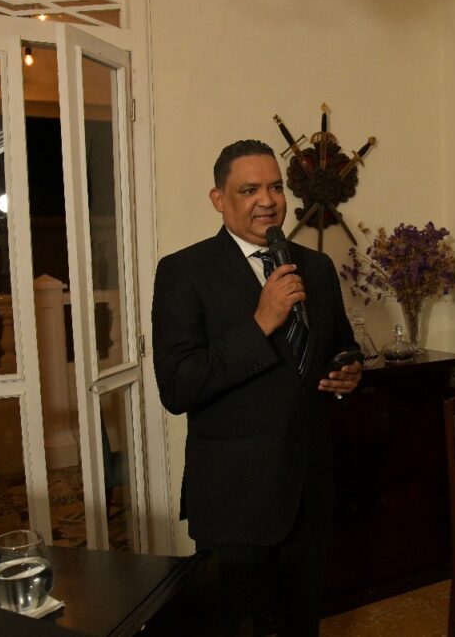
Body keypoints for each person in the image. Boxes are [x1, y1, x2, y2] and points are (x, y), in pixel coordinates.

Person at [151, 139, 363, 636]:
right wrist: (261, 321)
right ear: (218, 199)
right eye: (249, 190)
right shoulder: (184, 271)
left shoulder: (316, 267)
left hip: (309, 492)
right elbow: (178, 387)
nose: (267, 200)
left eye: (275, 187)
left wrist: (349, 369)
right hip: (235, 501)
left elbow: (340, 344)